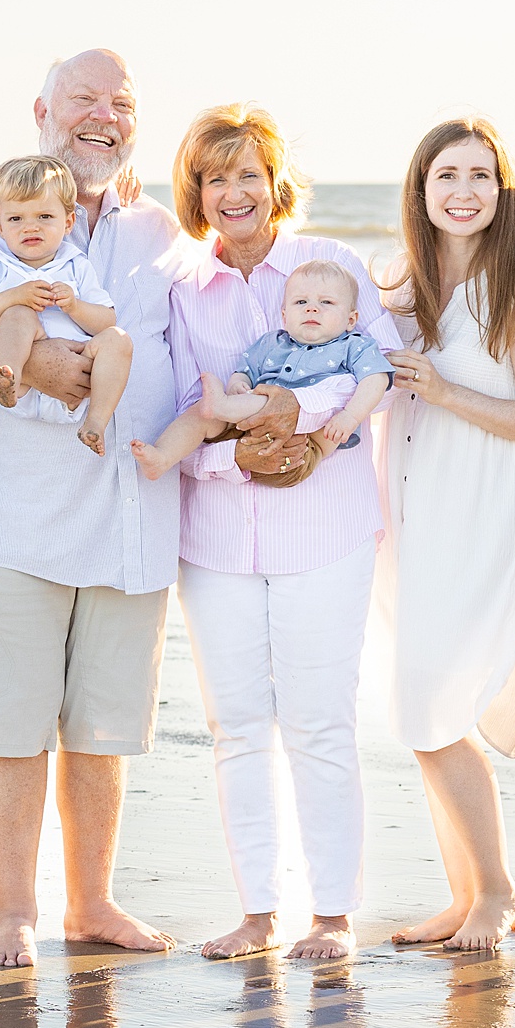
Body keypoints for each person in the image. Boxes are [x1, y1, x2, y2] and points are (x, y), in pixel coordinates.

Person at [0, 49, 190, 968]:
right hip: (4, 515)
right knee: (11, 720)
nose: (103, 115)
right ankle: (14, 909)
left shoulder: (160, 227)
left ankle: (91, 902)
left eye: (121, 102)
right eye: (83, 99)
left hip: (130, 510)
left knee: (103, 725)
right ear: (41, 110)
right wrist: (39, 370)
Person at [162, 103, 405, 962]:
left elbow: (379, 372)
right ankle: (258, 911)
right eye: (214, 177)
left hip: (326, 532)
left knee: (320, 721)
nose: (234, 193)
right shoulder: (182, 291)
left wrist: (282, 410)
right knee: (235, 727)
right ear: (197, 192)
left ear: (275, 185)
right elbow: (185, 416)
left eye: (247, 175)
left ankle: (332, 913)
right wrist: (245, 451)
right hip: (217, 541)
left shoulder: (326, 264)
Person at [374, 117, 515, 952]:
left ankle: (495, 888)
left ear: (502, 191)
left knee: (432, 703)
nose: (464, 191)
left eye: (481, 176)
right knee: (420, 701)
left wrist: (448, 392)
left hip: (487, 510)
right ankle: (462, 892)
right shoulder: (403, 287)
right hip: (418, 511)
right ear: (421, 190)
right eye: (447, 175)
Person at [131, 258, 391, 479]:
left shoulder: (354, 346)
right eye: (301, 302)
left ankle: (222, 406)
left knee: (266, 400)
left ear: (351, 319)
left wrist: (351, 416)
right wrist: (237, 383)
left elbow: (377, 379)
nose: (312, 308)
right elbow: (245, 370)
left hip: (307, 445)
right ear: (284, 316)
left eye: (327, 303)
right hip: (249, 430)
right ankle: (163, 457)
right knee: (202, 414)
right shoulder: (272, 343)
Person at [0, 155, 128, 454]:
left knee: (119, 340)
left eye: (44, 217)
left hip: (79, 383)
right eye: (16, 219)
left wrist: (74, 306)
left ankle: (95, 423)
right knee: (18, 315)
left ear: (68, 222)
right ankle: (7, 379)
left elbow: (107, 320)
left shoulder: (76, 264)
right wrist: (13, 297)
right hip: (25, 385)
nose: (30, 228)